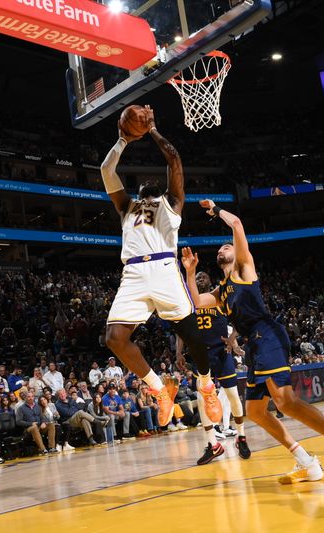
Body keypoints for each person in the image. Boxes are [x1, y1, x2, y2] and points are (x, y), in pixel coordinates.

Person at [182, 200, 324, 486]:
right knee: (256, 411)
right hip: (254, 344)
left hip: (267, 333)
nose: (224, 247)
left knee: (284, 400)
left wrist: (215, 210)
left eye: (228, 246)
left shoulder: (243, 269)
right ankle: (307, 462)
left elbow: (236, 224)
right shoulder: (221, 292)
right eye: (221, 248)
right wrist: (189, 270)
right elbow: (197, 303)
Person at [99, 106, 221, 428]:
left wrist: (152, 129)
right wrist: (122, 140)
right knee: (114, 338)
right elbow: (106, 170)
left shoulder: (172, 202)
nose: (147, 188)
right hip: (134, 274)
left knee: (193, 335)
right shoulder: (127, 206)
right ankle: (158, 388)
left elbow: (174, 160)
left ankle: (207, 384)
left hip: (165, 269)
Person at [176, 270, 250, 465]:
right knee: (201, 401)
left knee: (233, 396)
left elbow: (239, 322)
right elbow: (180, 332)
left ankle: (241, 437)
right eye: (197, 277)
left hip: (221, 353)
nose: (199, 279)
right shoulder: (188, 302)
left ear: (210, 282)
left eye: (203, 277)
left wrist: (233, 339)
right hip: (200, 356)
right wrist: (178, 353)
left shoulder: (219, 299)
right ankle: (213, 445)